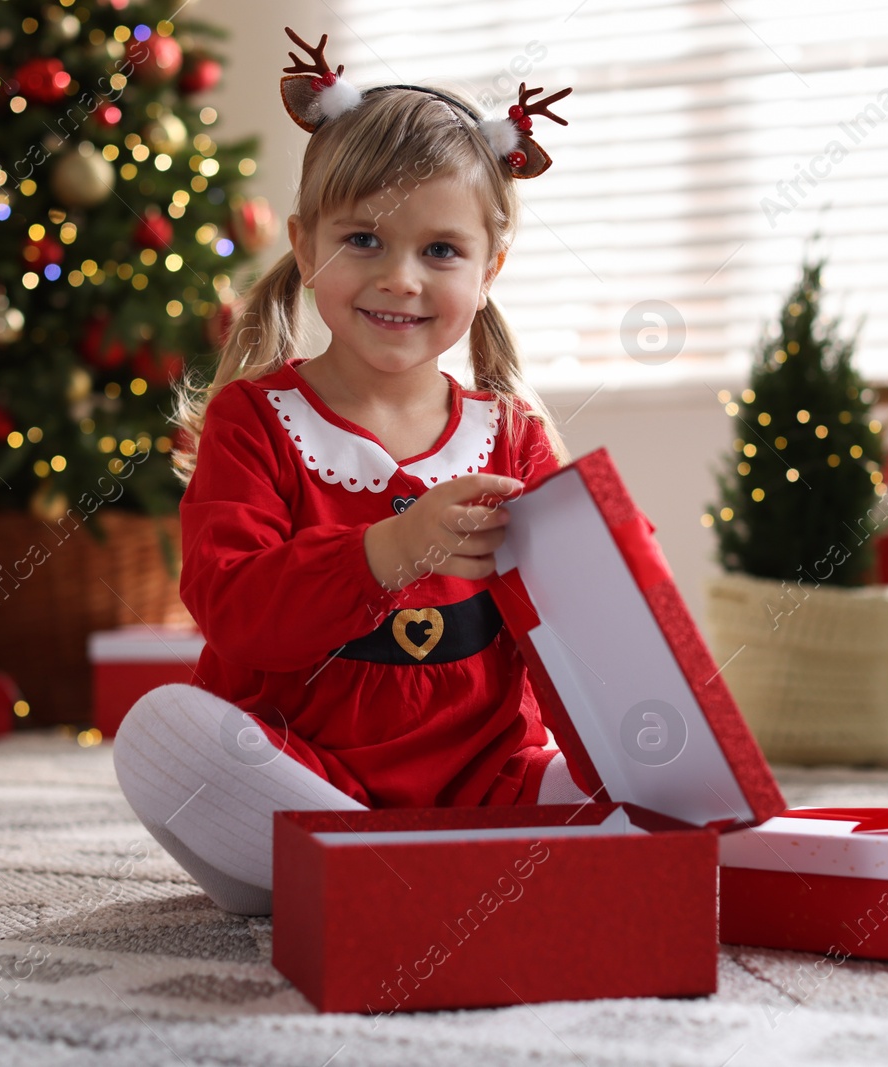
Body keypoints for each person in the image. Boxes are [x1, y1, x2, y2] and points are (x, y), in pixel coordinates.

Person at [112, 28, 592, 915]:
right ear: (305, 246)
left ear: (490, 269)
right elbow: (235, 608)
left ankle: (359, 873)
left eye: (441, 251)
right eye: (363, 239)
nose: (400, 279)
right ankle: (359, 858)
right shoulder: (254, 421)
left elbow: (578, 638)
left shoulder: (514, 436)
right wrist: (393, 547)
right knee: (162, 732)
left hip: (484, 779)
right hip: (305, 763)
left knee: (648, 792)